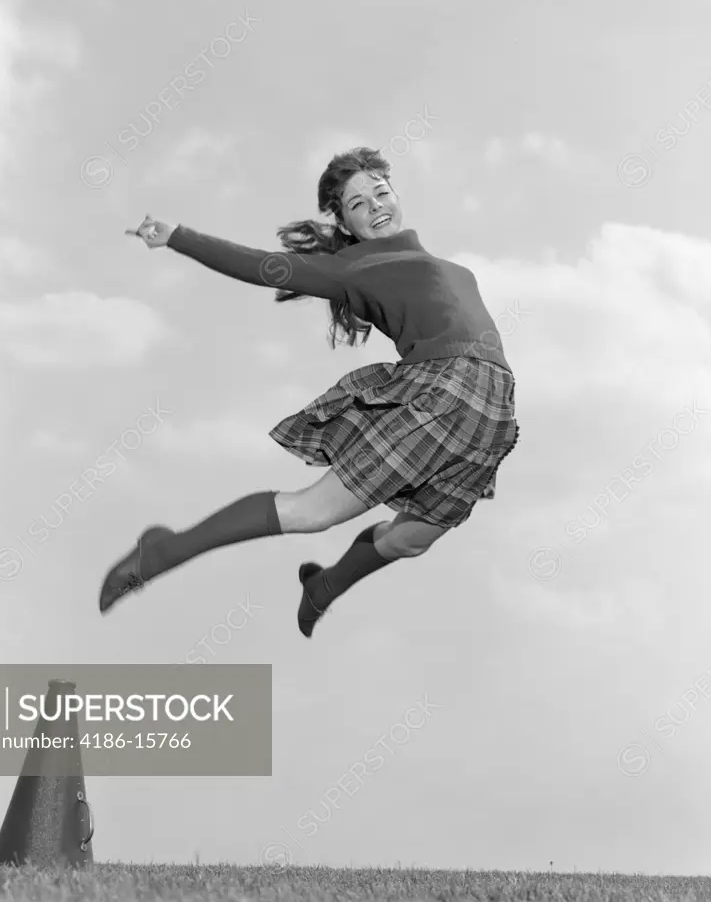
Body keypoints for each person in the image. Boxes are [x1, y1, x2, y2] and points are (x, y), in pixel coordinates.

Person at [99, 147, 519, 637]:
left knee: (412, 539)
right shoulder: (352, 267)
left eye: (380, 193)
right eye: (358, 204)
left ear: (397, 194)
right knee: (312, 512)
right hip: (445, 393)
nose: (375, 205)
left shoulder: (457, 270)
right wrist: (176, 237)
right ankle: (166, 549)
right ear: (345, 223)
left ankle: (324, 586)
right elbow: (260, 266)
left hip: (493, 414)